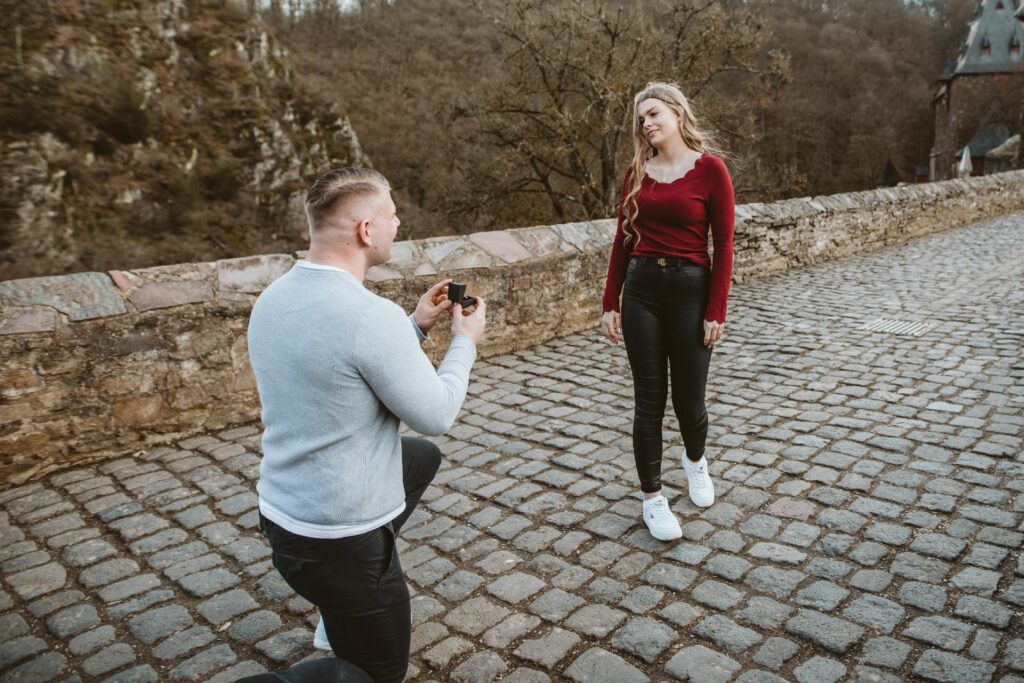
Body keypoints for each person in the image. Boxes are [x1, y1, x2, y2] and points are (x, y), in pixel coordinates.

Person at [247, 167, 486, 682]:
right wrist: (465, 339)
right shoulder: (366, 315)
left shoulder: (272, 299)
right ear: (365, 231)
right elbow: (436, 414)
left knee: (418, 460)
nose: (398, 222)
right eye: (391, 213)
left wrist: (415, 326)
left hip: (282, 517)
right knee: (375, 674)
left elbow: (338, 364)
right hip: (337, 539)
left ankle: (339, 603)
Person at [600, 82, 735, 541]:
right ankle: (652, 499)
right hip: (642, 293)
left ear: (678, 113)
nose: (647, 124)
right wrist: (609, 302)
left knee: (690, 402)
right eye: (641, 119)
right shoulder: (636, 172)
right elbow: (622, 240)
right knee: (648, 403)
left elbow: (725, 243)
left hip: (691, 292)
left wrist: (716, 308)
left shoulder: (711, 171)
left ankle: (695, 461)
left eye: (654, 113)